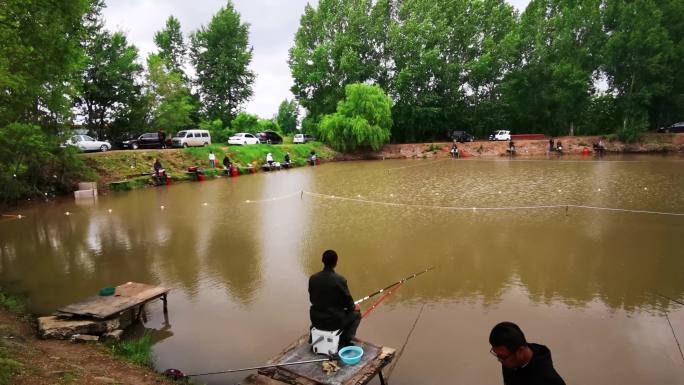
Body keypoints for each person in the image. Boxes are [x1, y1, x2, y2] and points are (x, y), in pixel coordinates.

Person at [308, 250, 361, 348]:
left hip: (316, 320)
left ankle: (313, 335)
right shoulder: (340, 280)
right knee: (356, 314)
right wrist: (354, 307)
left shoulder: (313, 278)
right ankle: (345, 340)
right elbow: (349, 304)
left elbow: (312, 299)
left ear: (322, 261)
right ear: (336, 262)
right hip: (333, 323)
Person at [489, 322, 565, 385]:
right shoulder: (510, 360)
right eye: (496, 355)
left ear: (520, 351)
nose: (499, 360)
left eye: (502, 357)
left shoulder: (548, 380)